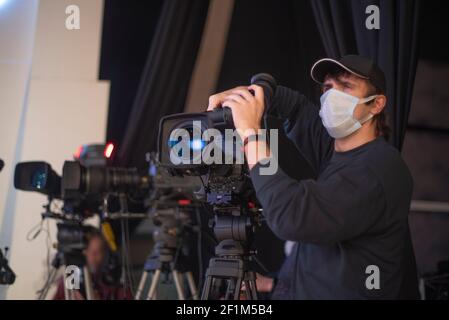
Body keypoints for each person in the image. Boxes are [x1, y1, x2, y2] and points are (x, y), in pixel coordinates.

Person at [207, 55, 419, 299]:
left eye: (346, 86)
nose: (332, 95)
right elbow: (292, 106)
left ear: (376, 104)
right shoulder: (336, 150)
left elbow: (290, 215)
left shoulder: (379, 168)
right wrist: (249, 95)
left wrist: (251, 135)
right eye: (328, 87)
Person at [53, 229, 132, 300]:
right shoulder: (72, 276)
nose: (92, 256)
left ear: (106, 254)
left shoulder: (113, 280)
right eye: (89, 251)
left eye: (97, 252)